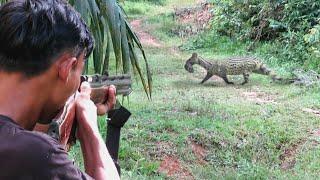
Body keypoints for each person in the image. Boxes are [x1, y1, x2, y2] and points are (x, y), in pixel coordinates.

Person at [0, 0, 120, 179]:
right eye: (79, 72)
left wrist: (65, 118)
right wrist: (88, 125)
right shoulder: (35, 154)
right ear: (67, 68)